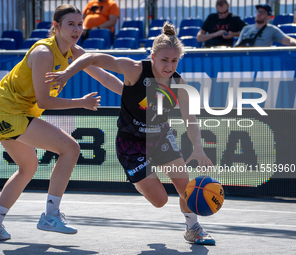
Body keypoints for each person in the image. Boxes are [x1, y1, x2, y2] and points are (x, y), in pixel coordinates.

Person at [45, 22, 216, 245]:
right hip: (131, 145)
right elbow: (96, 58)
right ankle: (140, 180)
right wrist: (67, 72)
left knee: (187, 188)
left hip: (162, 139)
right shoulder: (134, 69)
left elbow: (190, 120)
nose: (169, 66)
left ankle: (193, 228)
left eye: (174, 61)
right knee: (160, 201)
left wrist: (198, 146)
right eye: (164, 60)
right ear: (152, 56)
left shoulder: (178, 84)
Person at [0, 4, 123, 242]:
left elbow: (103, 76)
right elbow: (44, 101)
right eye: (71, 24)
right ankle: (50, 215)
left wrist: (135, 97)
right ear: (55, 27)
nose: (77, 29)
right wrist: (81, 102)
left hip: (12, 111)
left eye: (80, 24)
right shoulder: (44, 54)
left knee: (28, 168)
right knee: (70, 148)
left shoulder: (75, 51)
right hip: (7, 110)